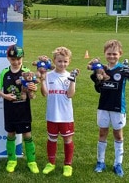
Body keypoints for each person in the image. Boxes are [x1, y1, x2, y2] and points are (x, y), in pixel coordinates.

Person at [90, 39, 129, 177]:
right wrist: (96, 82)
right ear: (104, 54)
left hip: (118, 107)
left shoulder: (123, 70)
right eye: (109, 54)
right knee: (102, 133)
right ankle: (100, 162)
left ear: (120, 54)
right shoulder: (101, 69)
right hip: (103, 107)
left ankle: (117, 164)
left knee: (118, 134)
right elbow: (99, 90)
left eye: (114, 54)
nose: (111, 56)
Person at [0, 45, 40, 174]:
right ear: (8, 58)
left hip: (24, 110)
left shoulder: (27, 71)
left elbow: (33, 88)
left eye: (19, 59)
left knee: (27, 135)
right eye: (13, 59)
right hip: (10, 111)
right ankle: (12, 160)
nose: (16, 62)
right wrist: (5, 96)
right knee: (11, 134)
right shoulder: (5, 72)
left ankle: (32, 161)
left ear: (22, 58)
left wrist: (33, 88)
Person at [39, 47, 78, 177]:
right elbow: (44, 94)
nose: (62, 64)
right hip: (52, 114)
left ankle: (68, 165)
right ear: (54, 61)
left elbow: (70, 95)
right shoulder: (49, 75)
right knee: (52, 139)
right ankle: (51, 162)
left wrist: (72, 81)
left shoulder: (70, 76)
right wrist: (43, 80)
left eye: (65, 61)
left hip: (66, 115)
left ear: (69, 61)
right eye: (60, 61)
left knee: (67, 139)